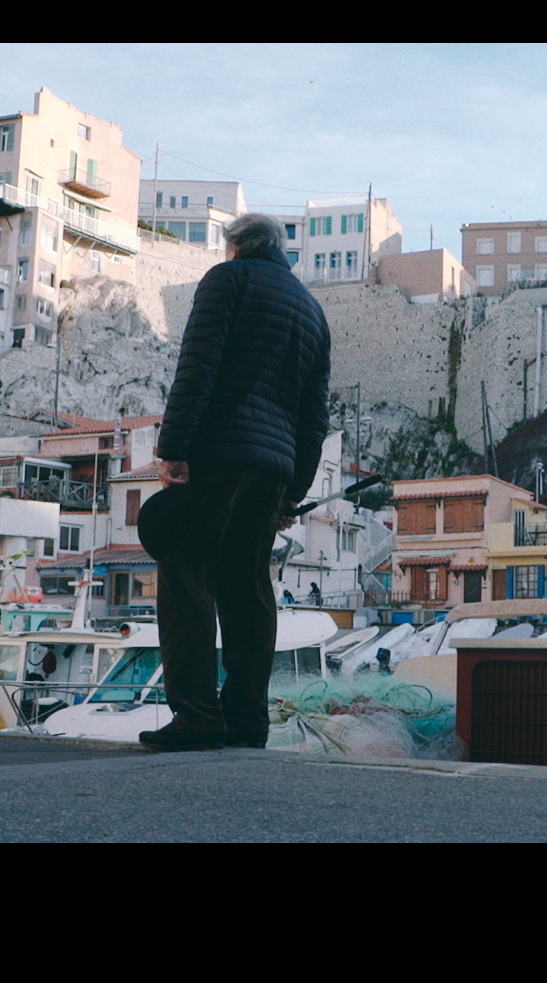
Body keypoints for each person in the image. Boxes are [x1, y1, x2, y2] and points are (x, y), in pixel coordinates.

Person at [144, 212, 331, 751]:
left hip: (219, 452)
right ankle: (248, 720)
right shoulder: (312, 310)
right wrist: (293, 491)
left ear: (235, 247)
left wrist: (174, 449)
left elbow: (197, 366)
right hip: (273, 469)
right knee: (249, 589)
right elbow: (314, 414)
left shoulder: (227, 280)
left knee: (187, 575)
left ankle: (197, 718)